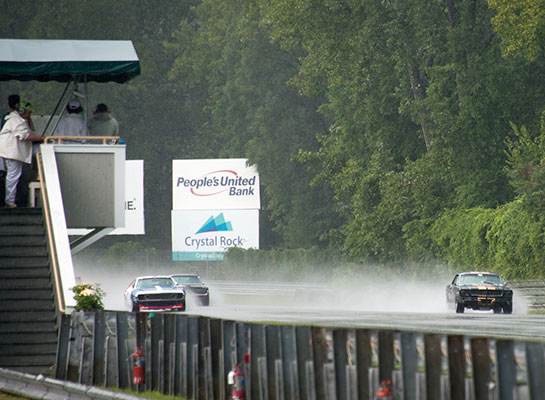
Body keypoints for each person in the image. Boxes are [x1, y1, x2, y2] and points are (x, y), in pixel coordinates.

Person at [0, 100, 43, 208]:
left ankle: (10, 200)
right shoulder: (16, 121)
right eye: (29, 113)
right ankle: (9, 201)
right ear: (23, 111)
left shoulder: (19, 120)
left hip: (12, 153)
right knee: (13, 177)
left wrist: (28, 118)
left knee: (13, 176)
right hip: (12, 153)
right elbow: (25, 135)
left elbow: (31, 131)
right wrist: (41, 138)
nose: (29, 115)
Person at [0, 94, 20, 206]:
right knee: (12, 175)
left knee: (8, 175)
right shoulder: (13, 118)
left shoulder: (5, 117)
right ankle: (9, 200)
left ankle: (8, 199)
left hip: (5, 149)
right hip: (11, 150)